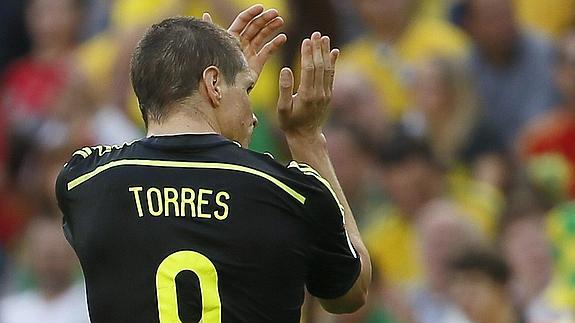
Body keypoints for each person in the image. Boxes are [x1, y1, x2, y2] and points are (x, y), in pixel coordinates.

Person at [55, 5, 371, 322]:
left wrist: (222, 79)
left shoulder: (86, 183)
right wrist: (306, 139)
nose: (253, 116)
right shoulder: (289, 191)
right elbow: (350, 290)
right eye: (247, 88)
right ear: (213, 85)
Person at [450, 0, 560, 148]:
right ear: (469, 25)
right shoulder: (466, 66)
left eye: (507, 14)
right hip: (495, 156)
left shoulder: (547, 53)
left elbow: (546, 121)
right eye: (493, 18)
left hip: (548, 150)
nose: (505, 24)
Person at [0, 217, 90, 323]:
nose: (50, 264)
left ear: (72, 256)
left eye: (56, 254)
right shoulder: (10, 310)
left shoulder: (87, 304)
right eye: (44, 255)